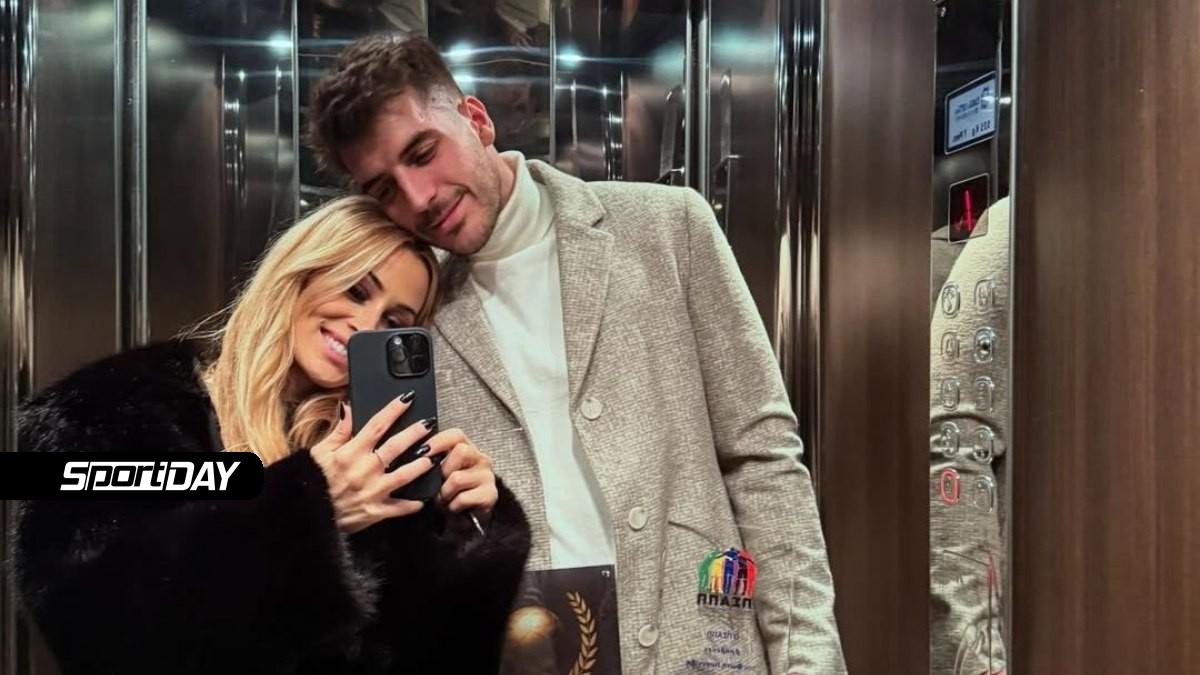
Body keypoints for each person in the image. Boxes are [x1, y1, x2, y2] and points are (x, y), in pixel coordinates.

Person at [306, 34, 846, 673]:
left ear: (476, 120)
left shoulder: (667, 228)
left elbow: (762, 460)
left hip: (700, 647)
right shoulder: (409, 311)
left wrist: (808, 658)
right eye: (385, 189)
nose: (418, 197)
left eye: (423, 153)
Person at [11, 196, 531, 674]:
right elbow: (96, 628)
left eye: (394, 321)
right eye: (355, 289)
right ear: (300, 272)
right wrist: (309, 509)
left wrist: (463, 537)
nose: (365, 324)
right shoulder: (117, 409)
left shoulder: (366, 459)